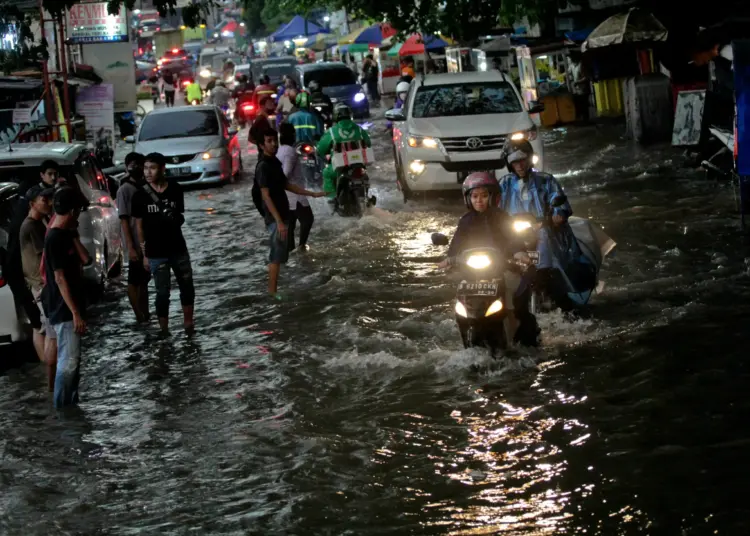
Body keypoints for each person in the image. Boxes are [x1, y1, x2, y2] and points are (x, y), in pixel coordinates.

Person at [437, 173, 539, 347]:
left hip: (503, 269)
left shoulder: (502, 217)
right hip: (472, 273)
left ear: (493, 197)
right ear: (468, 199)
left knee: (518, 296)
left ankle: (527, 334)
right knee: (460, 302)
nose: (479, 200)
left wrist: (518, 253)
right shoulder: (465, 221)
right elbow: (457, 244)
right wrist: (449, 260)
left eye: (484, 196)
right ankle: (467, 334)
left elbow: (513, 239)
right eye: (475, 196)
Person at [498, 139, 596, 313]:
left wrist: (557, 214)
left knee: (545, 238)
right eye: (514, 161)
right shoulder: (504, 183)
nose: (519, 165)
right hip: (516, 234)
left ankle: (549, 279)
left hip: (547, 231)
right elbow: (496, 208)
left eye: (522, 160)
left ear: (529, 159)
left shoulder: (546, 180)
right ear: (508, 163)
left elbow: (558, 201)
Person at [255, 129, 326, 295]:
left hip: (283, 213)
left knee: (281, 254)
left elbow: (286, 184)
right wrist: (278, 221)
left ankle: (277, 289)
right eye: (269, 141)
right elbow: (265, 195)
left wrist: (313, 194)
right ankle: (272, 294)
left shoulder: (274, 162)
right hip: (275, 218)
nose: (273, 144)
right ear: (261, 145)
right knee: (276, 256)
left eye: (274, 140)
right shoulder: (264, 166)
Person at [132, 153, 195, 335]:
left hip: (178, 248)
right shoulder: (140, 195)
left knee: (187, 286)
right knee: (162, 293)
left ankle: (189, 325)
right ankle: (164, 330)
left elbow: (179, 217)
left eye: (152, 168)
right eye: (145, 168)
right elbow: (139, 226)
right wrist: (144, 254)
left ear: (162, 169)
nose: (148, 172)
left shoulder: (175, 189)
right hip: (155, 252)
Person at [43, 187, 87, 408]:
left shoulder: (64, 234)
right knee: (68, 362)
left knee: (73, 360)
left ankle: (70, 404)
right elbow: (59, 279)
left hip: (70, 307)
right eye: (78, 210)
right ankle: (62, 409)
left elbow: (85, 259)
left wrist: (74, 234)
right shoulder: (54, 238)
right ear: (72, 210)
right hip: (64, 309)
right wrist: (75, 312)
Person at [19, 184, 57, 378]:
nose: (49, 203)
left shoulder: (39, 222)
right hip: (40, 284)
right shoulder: (31, 225)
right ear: (33, 203)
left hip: (39, 284)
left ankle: (47, 372)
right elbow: (46, 255)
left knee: (44, 328)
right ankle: (50, 371)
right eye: (45, 200)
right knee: (50, 331)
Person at [116, 152, 150, 323]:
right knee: (134, 280)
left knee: (143, 281)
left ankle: (146, 313)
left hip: (145, 240)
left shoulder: (144, 186)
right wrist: (130, 246)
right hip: (134, 241)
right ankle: (139, 315)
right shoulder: (124, 189)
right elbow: (123, 219)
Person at [317, 103, 371, 200]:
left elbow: (321, 149)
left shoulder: (332, 132)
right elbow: (368, 143)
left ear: (335, 116)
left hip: (340, 166)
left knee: (326, 173)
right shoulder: (359, 129)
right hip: (359, 163)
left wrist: (322, 154)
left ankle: (332, 199)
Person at [277, 123, 315, 252]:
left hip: (287, 194)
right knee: (308, 219)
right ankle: (301, 247)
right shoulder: (290, 152)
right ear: (292, 135)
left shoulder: (281, 149)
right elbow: (285, 173)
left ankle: (291, 250)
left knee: (291, 225)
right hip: (295, 194)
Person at [568, 54, 590, 122]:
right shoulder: (572, 65)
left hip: (583, 89)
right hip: (576, 90)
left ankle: (586, 120)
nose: (569, 60)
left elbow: (586, 77)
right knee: (578, 105)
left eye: (570, 58)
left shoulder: (581, 65)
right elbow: (567, 72)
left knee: (584, 105)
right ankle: (581, 119)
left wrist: (577, 82)